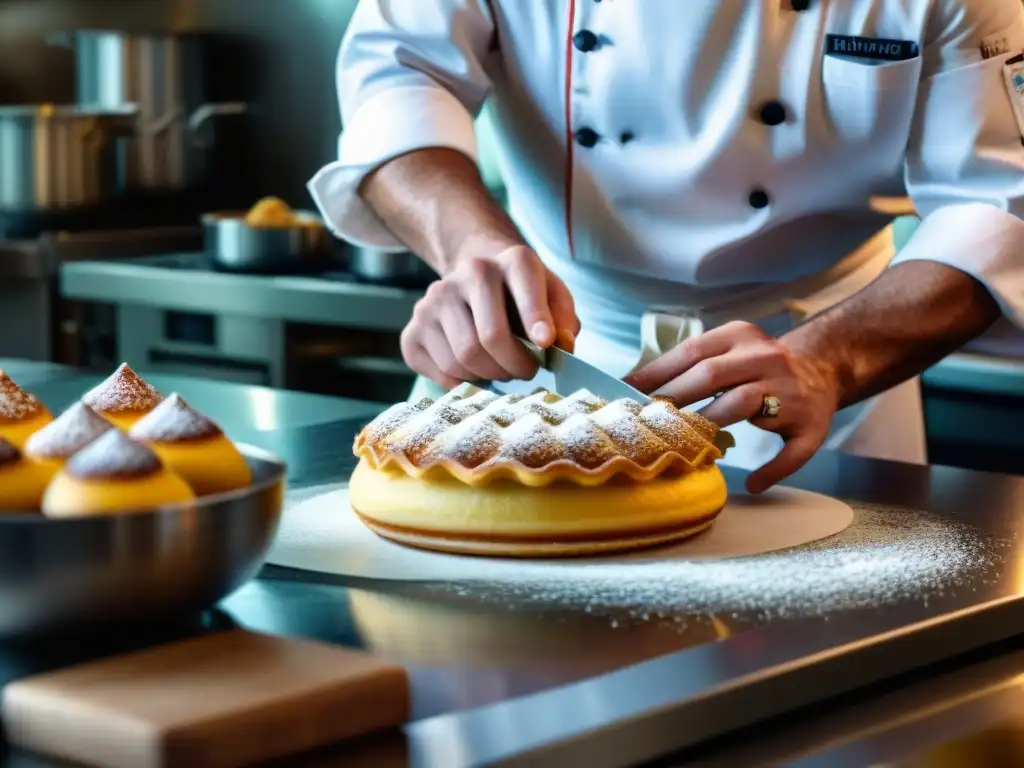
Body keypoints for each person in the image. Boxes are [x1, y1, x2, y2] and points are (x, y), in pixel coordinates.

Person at [309, 1, 1024, 493]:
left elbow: (997, 204)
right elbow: (397, 75)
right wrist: (475, 252)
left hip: (821, 382)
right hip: (549, 355)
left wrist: (828, 361)